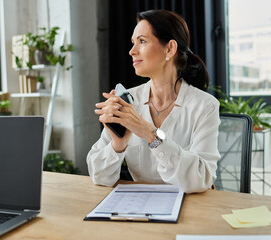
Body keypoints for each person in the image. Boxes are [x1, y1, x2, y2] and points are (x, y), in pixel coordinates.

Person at [87, 9, 220, 193]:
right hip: (140, 208)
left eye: (142, 41)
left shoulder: (205, 106)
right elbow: (99, 177)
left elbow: (202, 178)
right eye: (133, 43)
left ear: (170, 48)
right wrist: (118, 145)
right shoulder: (127, 102)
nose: (132, 51)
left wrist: (151, 134)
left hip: (192, 210)